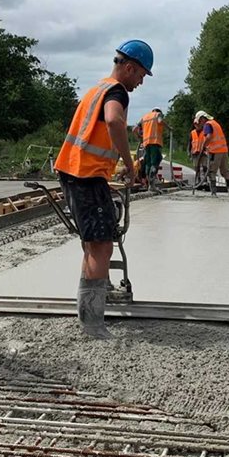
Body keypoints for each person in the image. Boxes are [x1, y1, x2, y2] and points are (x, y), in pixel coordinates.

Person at [56, 39, 152, 338]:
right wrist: (130, 162)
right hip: (85, 174)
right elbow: (113, 120)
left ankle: (88, 316)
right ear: (129, 67)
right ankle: (93, 325)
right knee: (101, 245)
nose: (139, 82)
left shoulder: (97, 88)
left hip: (74, 170)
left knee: (92, 244)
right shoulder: (116, 91)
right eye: (140, 75)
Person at [195, 110, 229, 195]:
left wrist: (203, 146)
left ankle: (213, 193)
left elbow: (209, 137)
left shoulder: (208, 125)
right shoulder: (215, 123)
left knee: (212, 171)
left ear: (203, 118)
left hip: (215, 152)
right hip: (224, 151)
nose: (200, 123)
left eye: (200, 121)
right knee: (225, 171)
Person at [138, 108, 167, 189]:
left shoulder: (145, 117)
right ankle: (151, 181)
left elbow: (134, 129)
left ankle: (149, 185)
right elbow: (160, 121)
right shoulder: (157, 115)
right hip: (155, 142)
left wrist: (140, 138)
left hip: (146, 143)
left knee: (148, 162)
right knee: (157, 159)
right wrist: (169, 128)